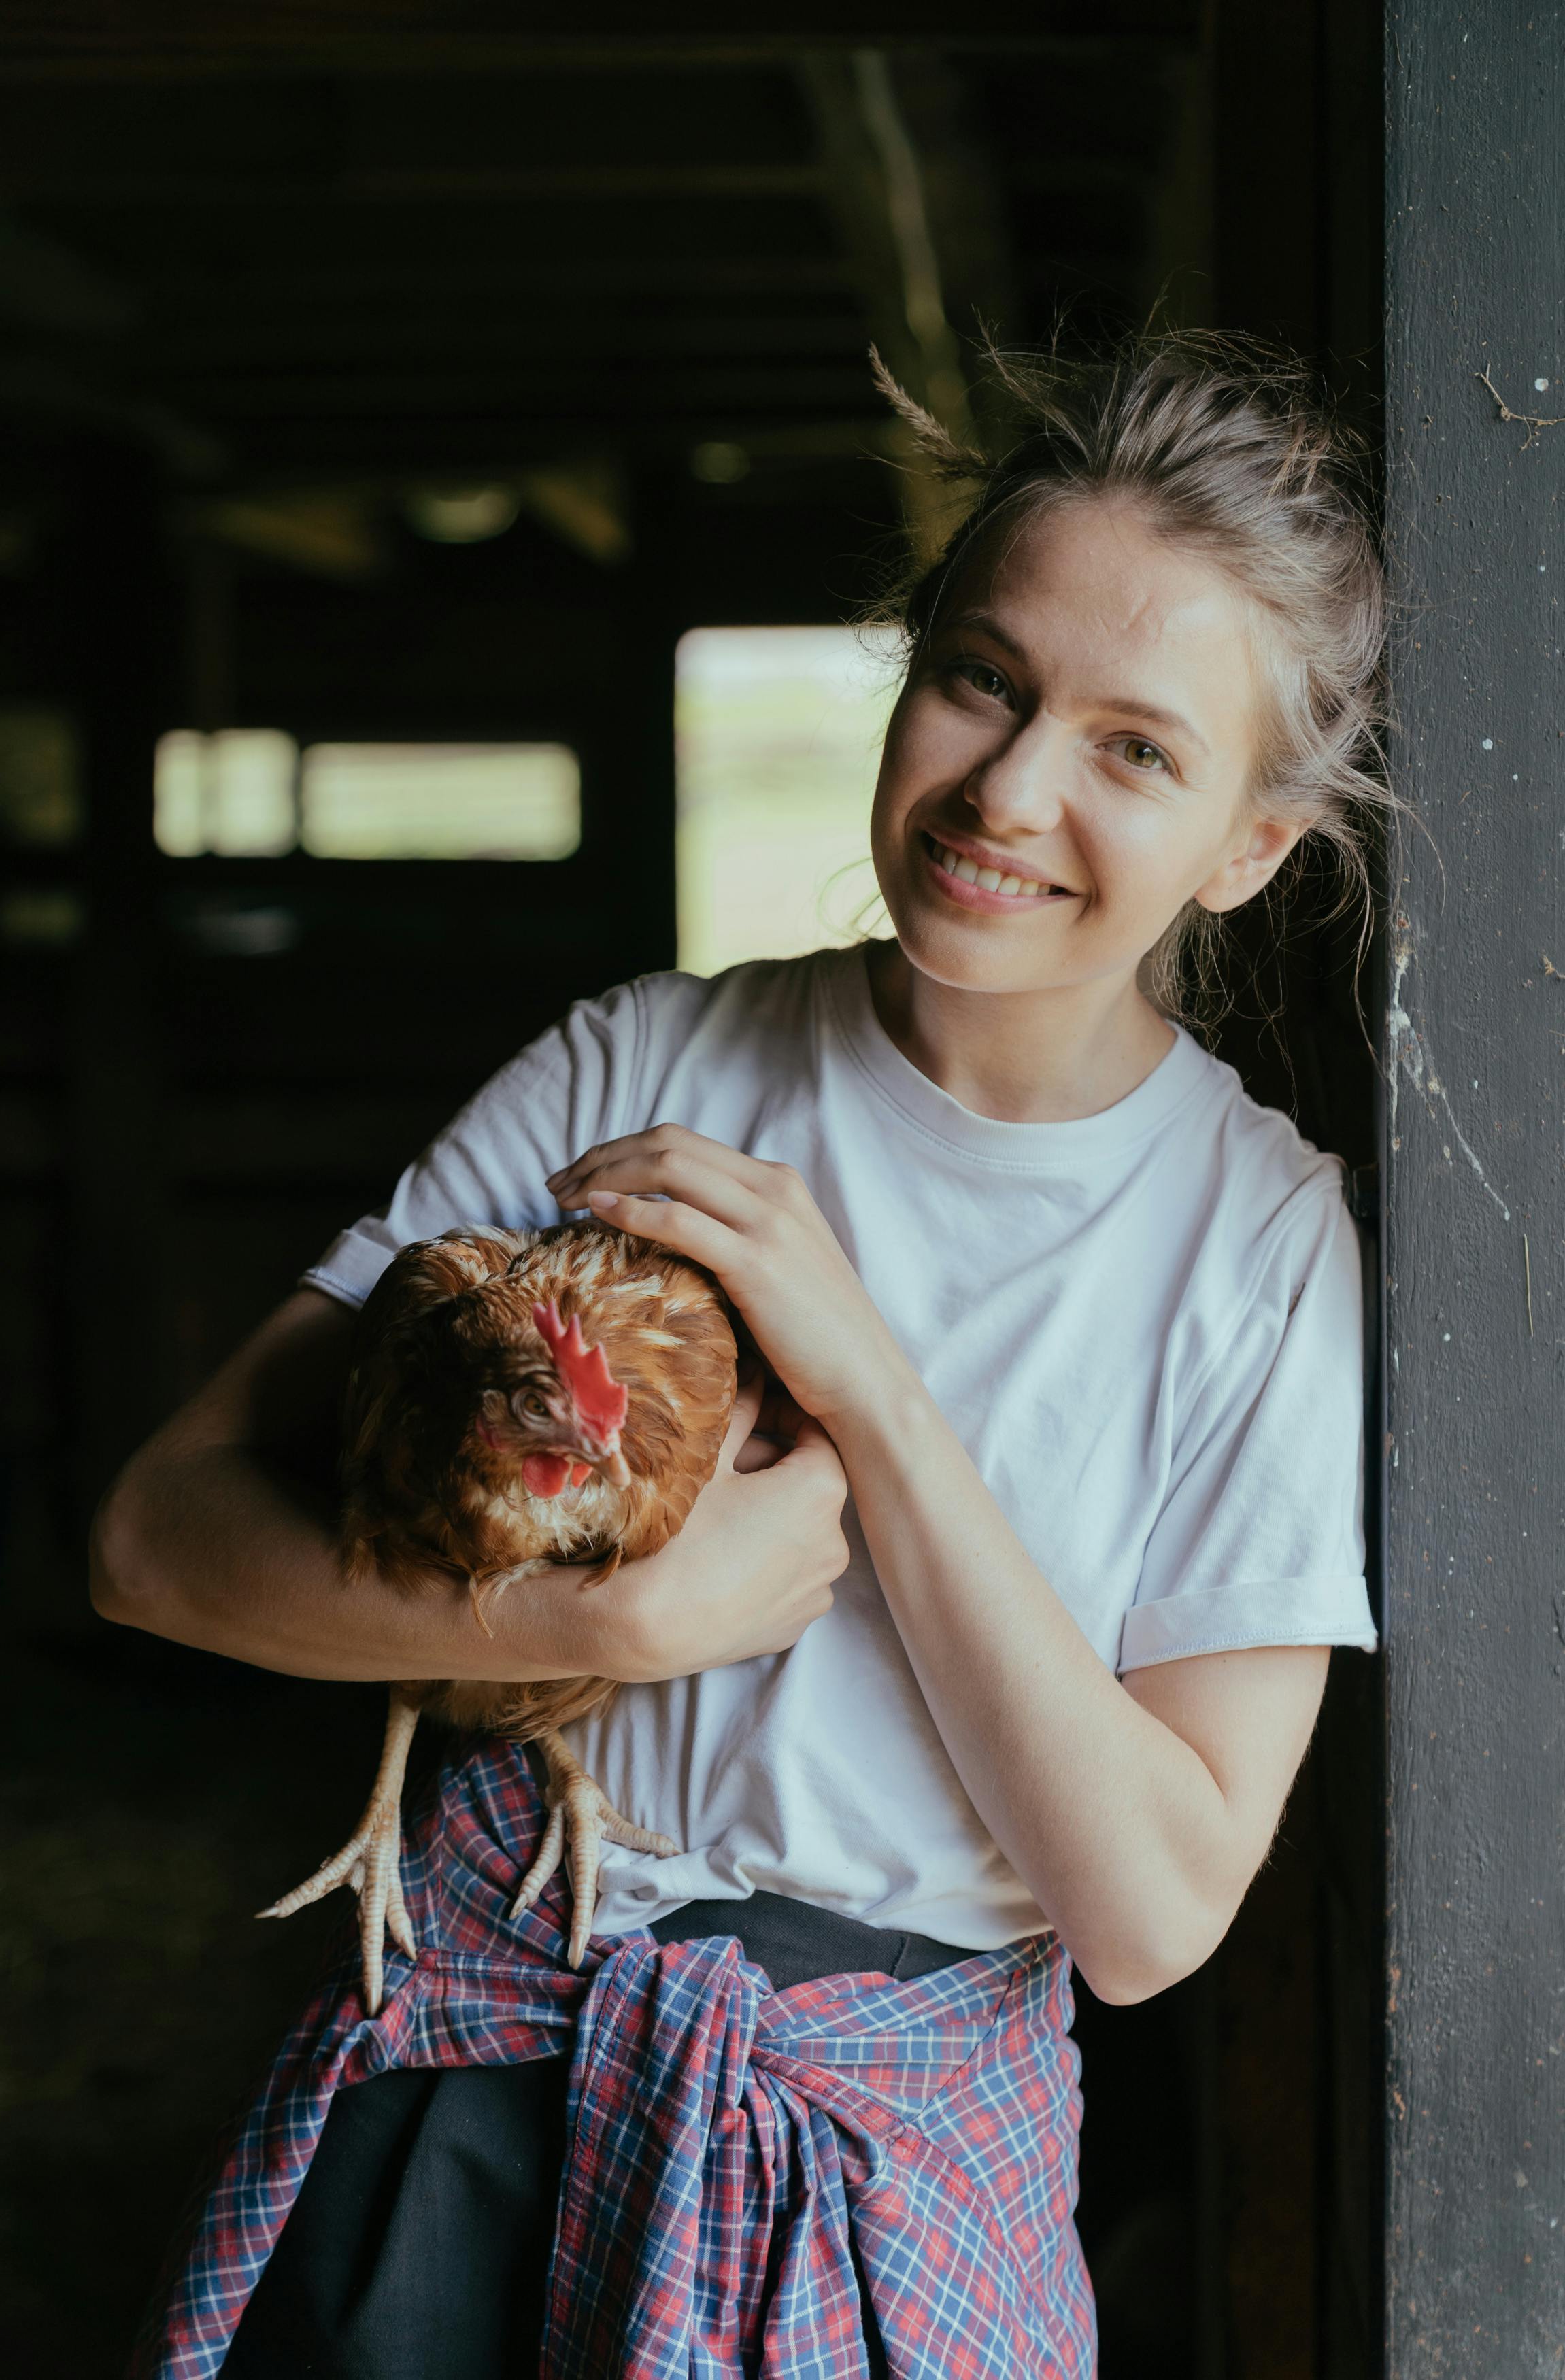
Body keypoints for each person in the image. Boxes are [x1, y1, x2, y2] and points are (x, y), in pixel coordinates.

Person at [96, 328, 1386, 2379]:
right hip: (477, 2082)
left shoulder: (1253, 1244)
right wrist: (608, 1627)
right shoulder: (647, 1062)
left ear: (1249, 840)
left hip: (876, 2171)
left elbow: (1150, 1914)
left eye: (1138, 749)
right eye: (984, 673)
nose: (1012, 790)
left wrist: (870, 1386)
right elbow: (157, 1542)